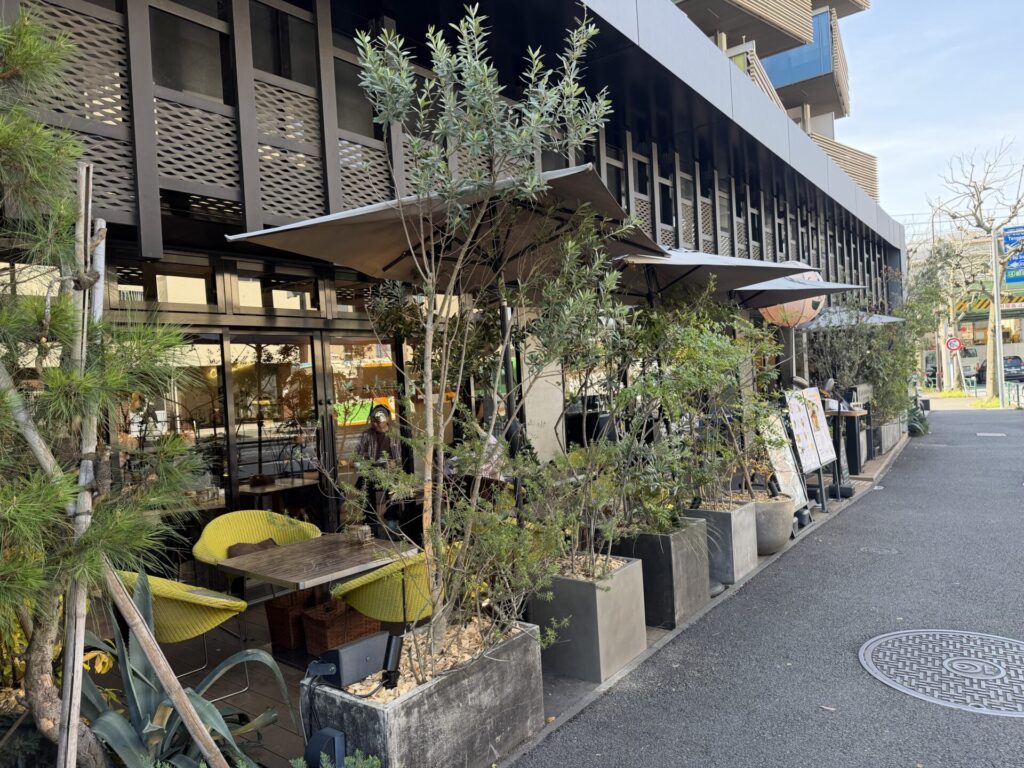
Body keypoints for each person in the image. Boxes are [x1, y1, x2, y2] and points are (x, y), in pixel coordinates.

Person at [355, 410, 401, 531]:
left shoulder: (396, 434)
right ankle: (369, 523)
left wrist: (394, 464)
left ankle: (392, 520)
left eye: (378, 421)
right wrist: (363, 461)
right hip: (372, 472)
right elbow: (358, 454)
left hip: (390, 473)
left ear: (387, 419)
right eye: (373, 421)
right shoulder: (367, 434)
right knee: (362, 484)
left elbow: (401, 457)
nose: (375, 424)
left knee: (394, 485)